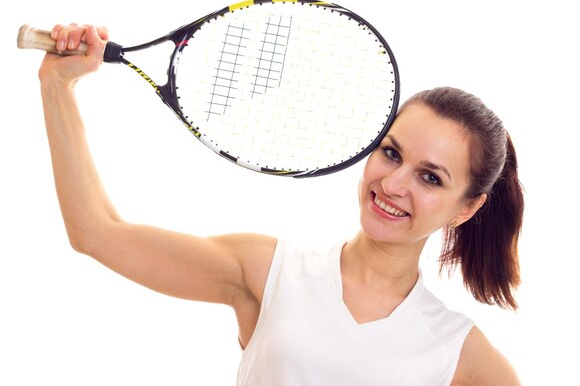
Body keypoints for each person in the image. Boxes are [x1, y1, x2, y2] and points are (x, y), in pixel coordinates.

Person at [38, 24, 524, 386]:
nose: (394, 183)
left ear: (466, 208)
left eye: (430, 177)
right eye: (391, 152)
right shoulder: (269, 272)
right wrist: (58, 86)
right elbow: (95, 233)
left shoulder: (460, 354)